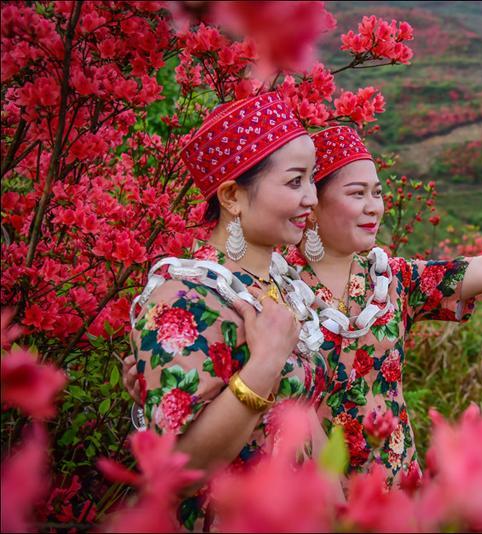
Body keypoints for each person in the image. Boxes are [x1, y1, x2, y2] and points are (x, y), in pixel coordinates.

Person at [127, 124, 482, 490]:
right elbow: (193, 436)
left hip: (389, 485)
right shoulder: (260, 284)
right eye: (356, 193)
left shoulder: (386, 281)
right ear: (314, 203)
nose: (375, 207)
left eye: (379, 192)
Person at [128, 92, 330, 531]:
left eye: (312, 180)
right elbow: (179, 472)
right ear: (233, 196)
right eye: (295, 182)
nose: (312, 197)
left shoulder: (280, 286)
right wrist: (264, 367)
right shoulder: (183, 299)